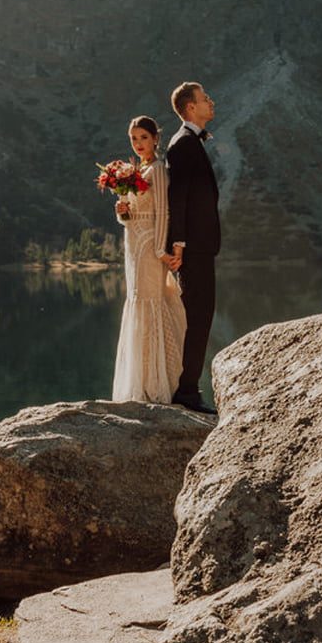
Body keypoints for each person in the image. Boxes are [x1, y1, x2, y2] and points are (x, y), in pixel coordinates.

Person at [111, 115, 187, 402]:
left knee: (149, 302)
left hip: (149, 248)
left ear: (156, 138)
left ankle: (157, 383)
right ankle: (139, 382)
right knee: (136, 300)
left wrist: (160, 250)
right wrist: (121, 210)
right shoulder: (136, 170)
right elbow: (131, 216)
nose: (138, 143)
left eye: (143, 137)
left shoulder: (156, 169)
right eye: (134, 139)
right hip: (133, 246)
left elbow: (163, 213)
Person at [164, 81, 219, 415]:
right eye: (204, 98)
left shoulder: (189, 142)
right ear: (189, 108)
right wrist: (180, 242)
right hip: (194, 248)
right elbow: (178, 197)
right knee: (198, 317)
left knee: (201, 316)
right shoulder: (183, 144)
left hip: (200, 246)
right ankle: (186, 390)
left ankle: (187, 386)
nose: (210, 102)